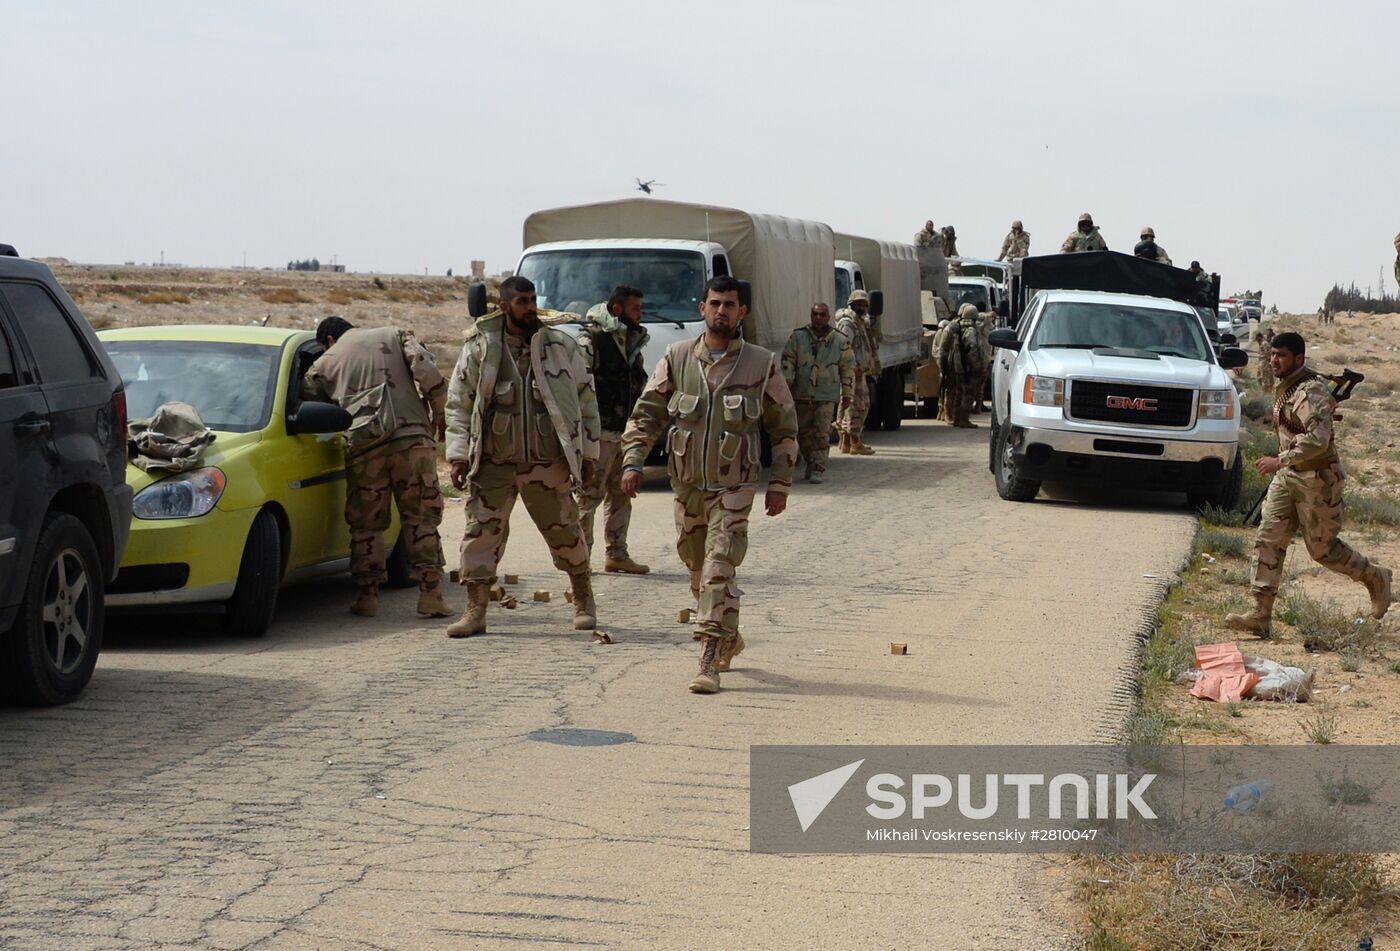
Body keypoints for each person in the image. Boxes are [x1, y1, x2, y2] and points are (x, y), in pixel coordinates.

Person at [620, 275, 798, 694]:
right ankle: (729, 637)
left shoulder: (761, 364)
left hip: (734, 487)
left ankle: (707, 659)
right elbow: (647, 415)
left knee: (720, 568)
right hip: (687, 487)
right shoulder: (677, 357)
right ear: (702, 308)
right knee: (699, 572)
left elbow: (785, 428)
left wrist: (781, 483)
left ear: (742, 312)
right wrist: (632, 463)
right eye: (715, 303)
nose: (722, 310)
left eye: (730, 304)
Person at [443, 276, 601, 638]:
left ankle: (583, 598)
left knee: (565, 531)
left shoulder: (560, 346)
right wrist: (457, 456)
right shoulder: (480, 349)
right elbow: (459, 405)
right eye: (522, 301)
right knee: (479, 535)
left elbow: (586, 401)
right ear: (504, 306)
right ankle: (476, 610)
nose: (530, 307)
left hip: (547, 463)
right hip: (494, 464)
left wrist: (588, 454)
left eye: (533, 300)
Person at [1225, 332, 1392, 636]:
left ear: (1298, 359)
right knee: (1268, 539)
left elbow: (1319, 439)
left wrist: (1280, 460)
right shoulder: (1289, 386)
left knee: (1322, 550)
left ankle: (1375, 578)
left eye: (1282, 356)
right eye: (1273, 354)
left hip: (1317, 479)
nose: (1274, 360)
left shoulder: (1309, 390)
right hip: (1289, 475)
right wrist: (1284, 464)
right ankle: (1261, 614)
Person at [302, 316, 451, 620]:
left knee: (366, 525)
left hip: (365, 447)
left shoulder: (324, 363)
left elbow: (309, 404)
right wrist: (440, 412)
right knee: (421, 519)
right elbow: (425, 369)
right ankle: (431, 595)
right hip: (412, 441)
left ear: (328, 341)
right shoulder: (394, 334)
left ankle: (367, 597)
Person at [576, 285, 651, 575]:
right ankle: (580, 559)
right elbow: (579, 385)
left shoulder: (632, 341)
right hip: (598, 434)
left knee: (621, 494)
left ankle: (617, 553)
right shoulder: (592, 339)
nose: (641, 315)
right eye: (636, 309)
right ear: (618, 309)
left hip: (624, 431)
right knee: (588, 498)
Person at [781, 302, 855, 484]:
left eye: (822, 314)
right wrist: (786, 384)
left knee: (822, 432)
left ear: (828, 317)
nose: (819, 318)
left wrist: (847, 393)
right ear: (811, 316)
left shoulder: (839, 340)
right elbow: (788, 360)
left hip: (826, 394)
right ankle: (809, 461)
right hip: (802, 393)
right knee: (804, 434)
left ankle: (818, 468)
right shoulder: (798, 337)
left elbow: (848, 368)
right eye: (815, 314)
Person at [833, 290, 879, 455]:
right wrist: (852, 368)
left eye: (865, 304)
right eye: (859, 304)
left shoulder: (859, 322)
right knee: (857, 406)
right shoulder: (848, 323)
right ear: (852, 304)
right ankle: (855, 442)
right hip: (852, 372)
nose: (863, 307)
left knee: (854, 405)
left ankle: (846, 442)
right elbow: (844, 347)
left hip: (859, 371)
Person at [940, 304, 986, 428]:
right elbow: (973, 349)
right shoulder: (971, 330)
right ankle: (964, 419)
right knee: (969, 394)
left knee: (959, 392)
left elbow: (943, 349)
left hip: (957, 367)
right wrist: (977, 367)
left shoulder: (956, 327)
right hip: (968, 368)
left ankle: (956, 418)